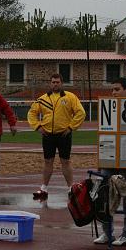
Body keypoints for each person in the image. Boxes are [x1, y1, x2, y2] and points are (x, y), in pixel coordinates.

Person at [93, 77, 126, 246]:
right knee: (104, 194)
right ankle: (107, 233)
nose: (113, 93)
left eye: (117, 89)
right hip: (109, 158)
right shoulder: (108, 108)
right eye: (112, 90)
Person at [27, 73, 86, 201]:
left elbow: (81, 112)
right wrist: (38, 127)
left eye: (57, 82)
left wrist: (71, 127)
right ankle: (44, 188)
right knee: (48, 161)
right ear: (50, 83)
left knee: (66, 161)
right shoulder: (42, 99)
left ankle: (70, 188)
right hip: (48, 135)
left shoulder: (70, 97)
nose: (55, 84)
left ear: (62, 83)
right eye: (53, 82)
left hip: (64, 134)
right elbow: (32, 113)